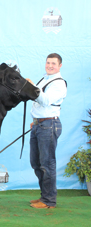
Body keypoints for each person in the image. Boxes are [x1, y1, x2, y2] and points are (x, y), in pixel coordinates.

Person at [27, 53, 67, 209]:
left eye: (53, 63)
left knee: (47, 164)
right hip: (39, 125)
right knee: (36, 162)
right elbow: (39, 102)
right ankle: (44, 196)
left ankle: (49, 200)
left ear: (60, 66)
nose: (50, 65)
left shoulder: (59, 83)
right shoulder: (45, 79)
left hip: (49, 125)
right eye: (48, 62)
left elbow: (45, 100)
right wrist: (36, 120)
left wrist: (32, 87)